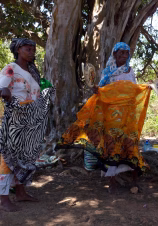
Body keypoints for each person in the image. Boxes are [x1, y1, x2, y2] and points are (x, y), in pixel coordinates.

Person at [62, 42, 150, 194]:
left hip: (127, 115)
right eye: (120, 53)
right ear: (114, 54)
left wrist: (145, 88)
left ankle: (135, 180)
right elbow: (102, 91)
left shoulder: (130, 71)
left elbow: (134, 90)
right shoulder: (108, 71)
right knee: (111, 146)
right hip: (111, 116)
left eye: (126, 53)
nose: (123, 56)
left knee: (130, 144)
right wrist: (97, 90)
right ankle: (112, 182)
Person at [0, 38, 54, 212]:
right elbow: (1, 88)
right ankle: (4, 198)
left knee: (25, 158)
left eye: (33, 49)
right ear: (18, 50)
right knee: (7, 159)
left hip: (30, 122)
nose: (31, 52)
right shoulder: (11, 68)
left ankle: (21, 192)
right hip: (14, 120)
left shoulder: (32, 72)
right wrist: (6, 94)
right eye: (27, 49)